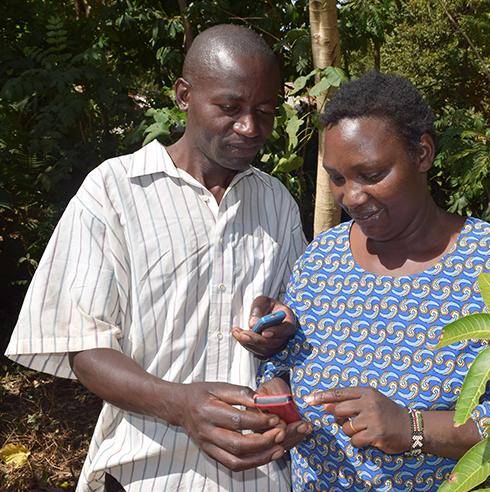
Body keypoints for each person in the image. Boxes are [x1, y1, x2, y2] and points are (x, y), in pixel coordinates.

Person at [4, 24, 310, 492]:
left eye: (264, 111)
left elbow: (295, 318)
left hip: (261, 475)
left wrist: (281, 331)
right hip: (147, 472)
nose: (250, 127)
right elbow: (85, 346)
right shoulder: (114, 191)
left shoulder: (277, 202)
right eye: (230, 107)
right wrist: (180, 405)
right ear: (184, 94)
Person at [244, 71, 490, 491]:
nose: (351, 196)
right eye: (337, 177)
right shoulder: (321, 259)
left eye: (372, 175)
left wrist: (413, 429)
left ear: (423, 154)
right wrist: (275, 385)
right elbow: (286, 368)